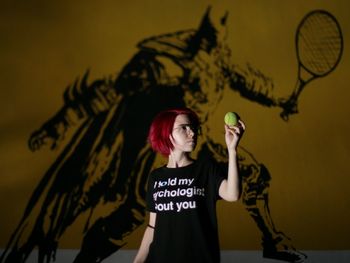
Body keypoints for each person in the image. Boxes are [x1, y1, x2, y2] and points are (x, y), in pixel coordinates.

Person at [133, 107, 245, 263]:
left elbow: (233, 195)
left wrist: (232, 150)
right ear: (167, 133)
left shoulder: (205, 169)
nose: (192, 133)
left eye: (193, 128)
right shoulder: (156, 177)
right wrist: (138, 261)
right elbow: (152, 227)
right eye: (183, 128)